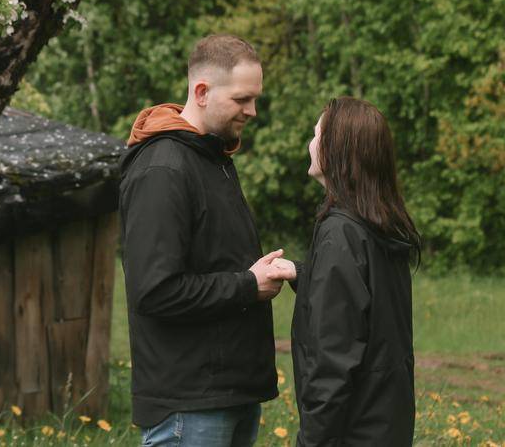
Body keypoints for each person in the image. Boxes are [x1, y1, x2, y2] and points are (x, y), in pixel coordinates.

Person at [120, 33, 295, 447]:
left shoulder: (212, 159)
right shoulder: (163, 170)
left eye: (255, 99)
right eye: (241, 99)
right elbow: (155, 291)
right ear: (201, 91)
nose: (252, 111)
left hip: (227, 394)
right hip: (188, 404)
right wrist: (247, 285)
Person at [290, 96, 420, 447]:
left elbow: (333, 362)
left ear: (337, 150)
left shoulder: (341, 234)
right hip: (384, 426)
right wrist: (303, 274)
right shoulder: (379, 225)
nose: (309, 143)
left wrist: (311, 441)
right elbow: (367, 311)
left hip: (352, 433)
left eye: (316, 136)